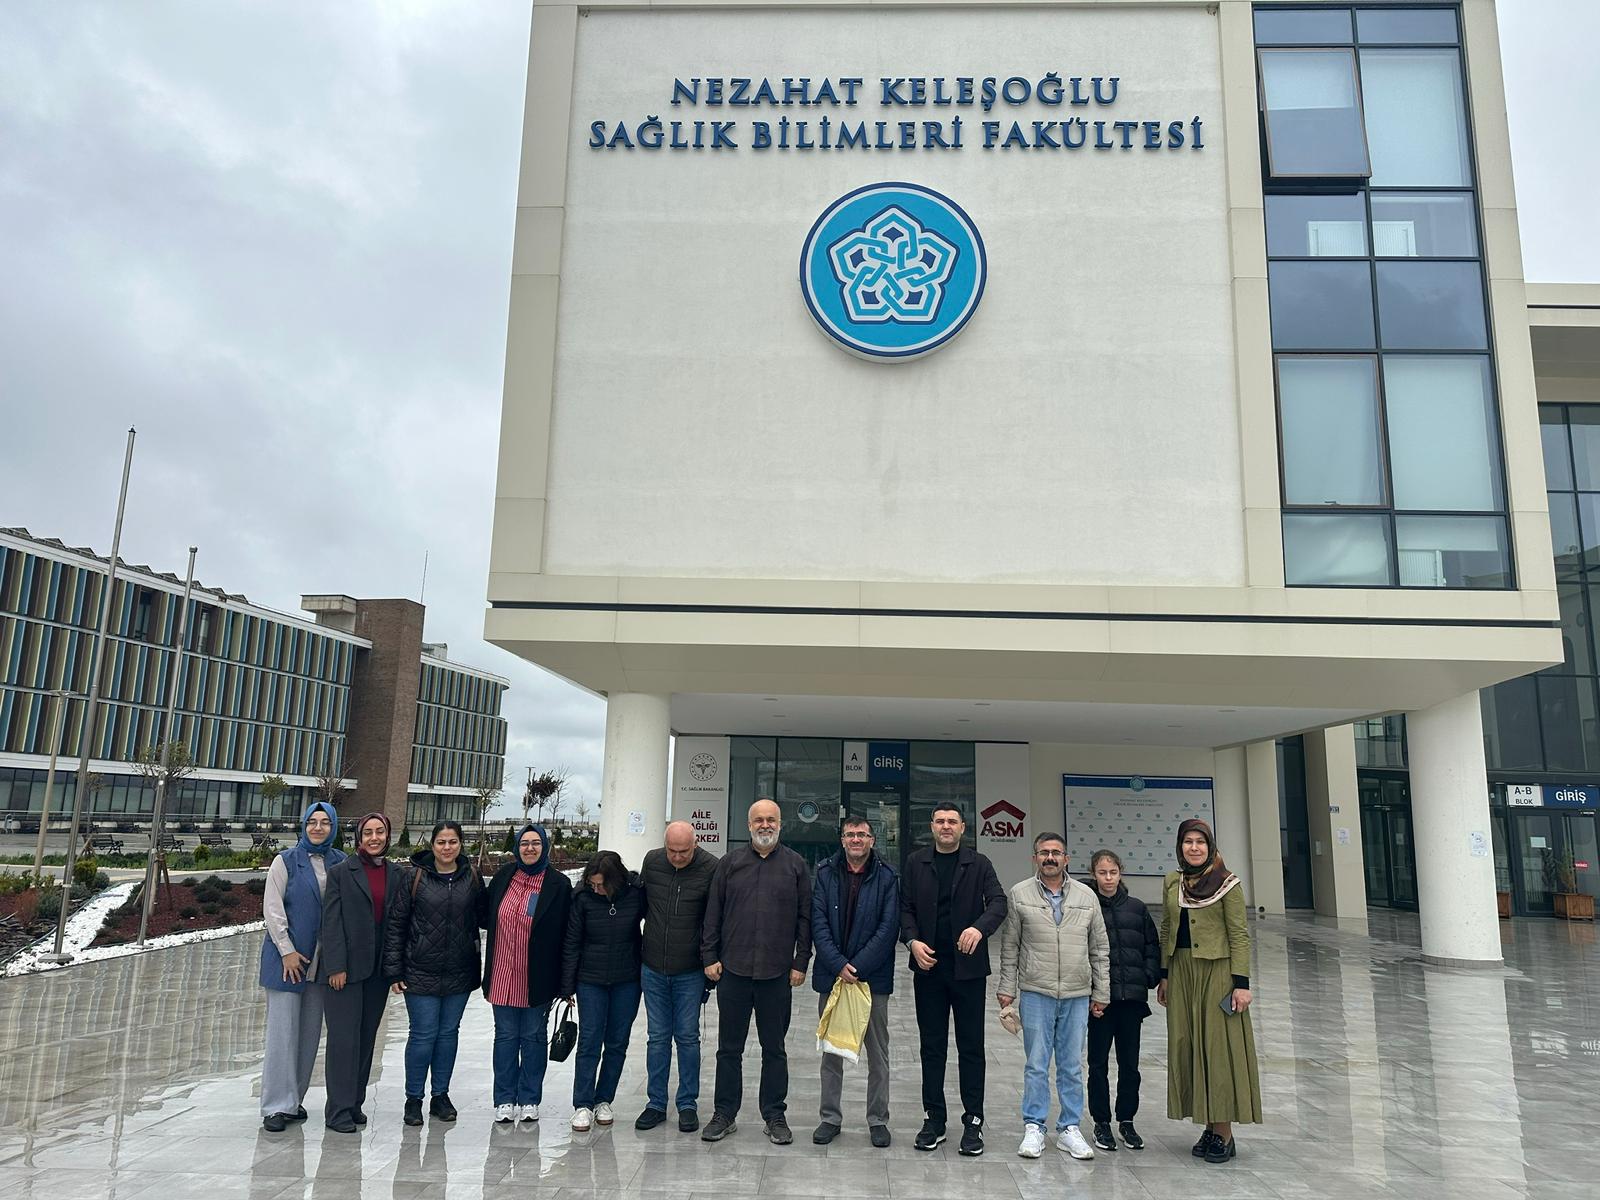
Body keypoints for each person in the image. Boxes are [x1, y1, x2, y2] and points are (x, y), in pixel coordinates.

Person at [700, 798, 812, 1145]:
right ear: (749, 825)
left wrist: (800, 961)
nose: (765, 825)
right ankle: (724, 1113)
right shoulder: (730, 864)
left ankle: (775, 1115)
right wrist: (709, 956)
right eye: (758, 820)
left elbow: (805, 919)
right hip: (732, 971)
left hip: (777, 974)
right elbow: (712, 913)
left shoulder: (796, 865)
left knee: (774, 1049)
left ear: (781, 824)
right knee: (728, 1049)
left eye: (771, 820)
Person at [899, 802, 1007, 1156]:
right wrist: (912, 941)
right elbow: (905, 908)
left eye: (953, 822)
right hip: (929, 967)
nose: (946, 827)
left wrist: (979, 928)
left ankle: (973, 1121)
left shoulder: (979, 864)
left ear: (963, 827)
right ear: (931, 826)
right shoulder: (916, 863)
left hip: (968, 971)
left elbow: (998, 903)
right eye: (940, 821)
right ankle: (934, 1120)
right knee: (931, 1047)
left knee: (971, 1048)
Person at [994, 832, 1109, 1161]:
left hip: (1076, 993)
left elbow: (1099, 949)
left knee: (1072, 1066)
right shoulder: (1020, 894)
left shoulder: (1087, 896)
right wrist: (1007, 988)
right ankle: (1034, 1126)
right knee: (1036, 1064)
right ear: (1035, 858)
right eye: (1043, 852)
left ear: (1066, 859)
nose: (1050, 858)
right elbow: (1010, 946)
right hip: (1036, 991)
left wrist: (1101, 991)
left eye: (1056, 853)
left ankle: (1070, 1128)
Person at [1156, 818, 1262, 1164]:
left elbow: (1240, 934)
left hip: (1216, 971)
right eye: (1188, 841)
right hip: (1182, 971)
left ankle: (1225, 1132)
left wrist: (1241, 984)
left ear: (1211, 846)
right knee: (1188, 1044)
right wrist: (1165, 975)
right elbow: (1168, 927)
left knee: (1218, 1049)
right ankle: (1208, 1124)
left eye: (1200, 842)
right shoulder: (1174, 881)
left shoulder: (1227, 884)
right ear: (1180, 847)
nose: (1194, 848)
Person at [382, 820, 486, 1127]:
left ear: (460, 845)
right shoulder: (413, 877)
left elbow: (485, 917)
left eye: (452, 842)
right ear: (433, 845)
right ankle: (413, 1098)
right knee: (423, 1035)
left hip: (459, 972)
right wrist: (394, 970)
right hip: (419, 971)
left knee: (448, 1035)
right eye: (441, 842)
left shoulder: (472, 877)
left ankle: (441, 1095)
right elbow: (396, 924)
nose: (446, 847)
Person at [810, 815, 899, 1149]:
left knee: (878, 1055)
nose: (856, 840)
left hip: (871, 980)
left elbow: (889, 928)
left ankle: (878, 1120)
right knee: (831, 1054)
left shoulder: (888, 877)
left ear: (872, 839)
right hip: (833, 977)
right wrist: (839, 965)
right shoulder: (823, 873)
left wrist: (857, 966)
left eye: (862, 834)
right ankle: (829, 1118)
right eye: (850, 834)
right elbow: (817, 923)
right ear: (842, 839)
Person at [259, 801, 345, 1133]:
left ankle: (293, 1101)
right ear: (303, 824)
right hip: (288, 963)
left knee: (309, 1035)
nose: (318, 827)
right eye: (312, 821)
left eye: (325, 822)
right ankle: (275, 1106)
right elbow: (273, 910)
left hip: (322, 965)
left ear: (334, 827)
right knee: (282, 1035)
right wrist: (287, 951)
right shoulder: (285, 861)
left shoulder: (340, 862)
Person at [482, 822, 573, 1124]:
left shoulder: (558, 885)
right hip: (502, 974)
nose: (530, 848)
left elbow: (565, 935)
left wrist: (565, 983)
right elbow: (484, 916)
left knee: (533, 1037)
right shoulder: (503, 877)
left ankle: (530, 1097)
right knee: (506, 1036)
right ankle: (504, 1098)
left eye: (536, 843)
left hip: (538, 977)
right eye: (524, 843)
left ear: (545, 847)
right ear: (517, 847)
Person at [321, 811, 400, 1134]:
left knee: (366, 1039)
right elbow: (331, 922)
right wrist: (335, 965)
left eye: (379, 832)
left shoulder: (397, 874)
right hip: (347, 971)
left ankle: (354, 1103)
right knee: (343, 1041)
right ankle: (337, 1109)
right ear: (358, 837)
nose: (374, 838)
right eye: (368, 832)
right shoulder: (341, 872)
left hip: (378, 972)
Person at [636, 819, 717, 1132]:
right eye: (672, 851)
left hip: (690, 970)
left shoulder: (711, 867)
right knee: (657, 1038)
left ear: (695, 844)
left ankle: (687, 1103)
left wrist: (711, 963)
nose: (678, 857)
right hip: (653, 965)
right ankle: (656, 1103)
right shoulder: (653, 861)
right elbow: (640, 904)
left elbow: (714, 920)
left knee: (687, 1037)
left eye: (684, 851)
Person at [563, 849, 646, 1131]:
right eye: (593, 883)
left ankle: (603, 1100)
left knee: (617, 1042)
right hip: (590, 980)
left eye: (601, 884)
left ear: (616, 880)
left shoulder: (635, 894)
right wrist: (567, 986)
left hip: (627, 980)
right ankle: (582, 1104)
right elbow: (571, 942)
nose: (596, 889)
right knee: (589, 1041)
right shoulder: (582, 898)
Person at [1085, 848, 1160, 1153]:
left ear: (1121, 873)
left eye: (1113, 872)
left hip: (1131, 1001)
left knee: (1130, 1064)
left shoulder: (1137, 908)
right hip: (1100, 1003)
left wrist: (1148, 977)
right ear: (1094, 874)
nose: (1108, 878)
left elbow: (1152, 946)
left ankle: (1126, 1121)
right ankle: (1101, 1122)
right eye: (1102, 873)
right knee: (1097, 1064)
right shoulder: (1088, 908)